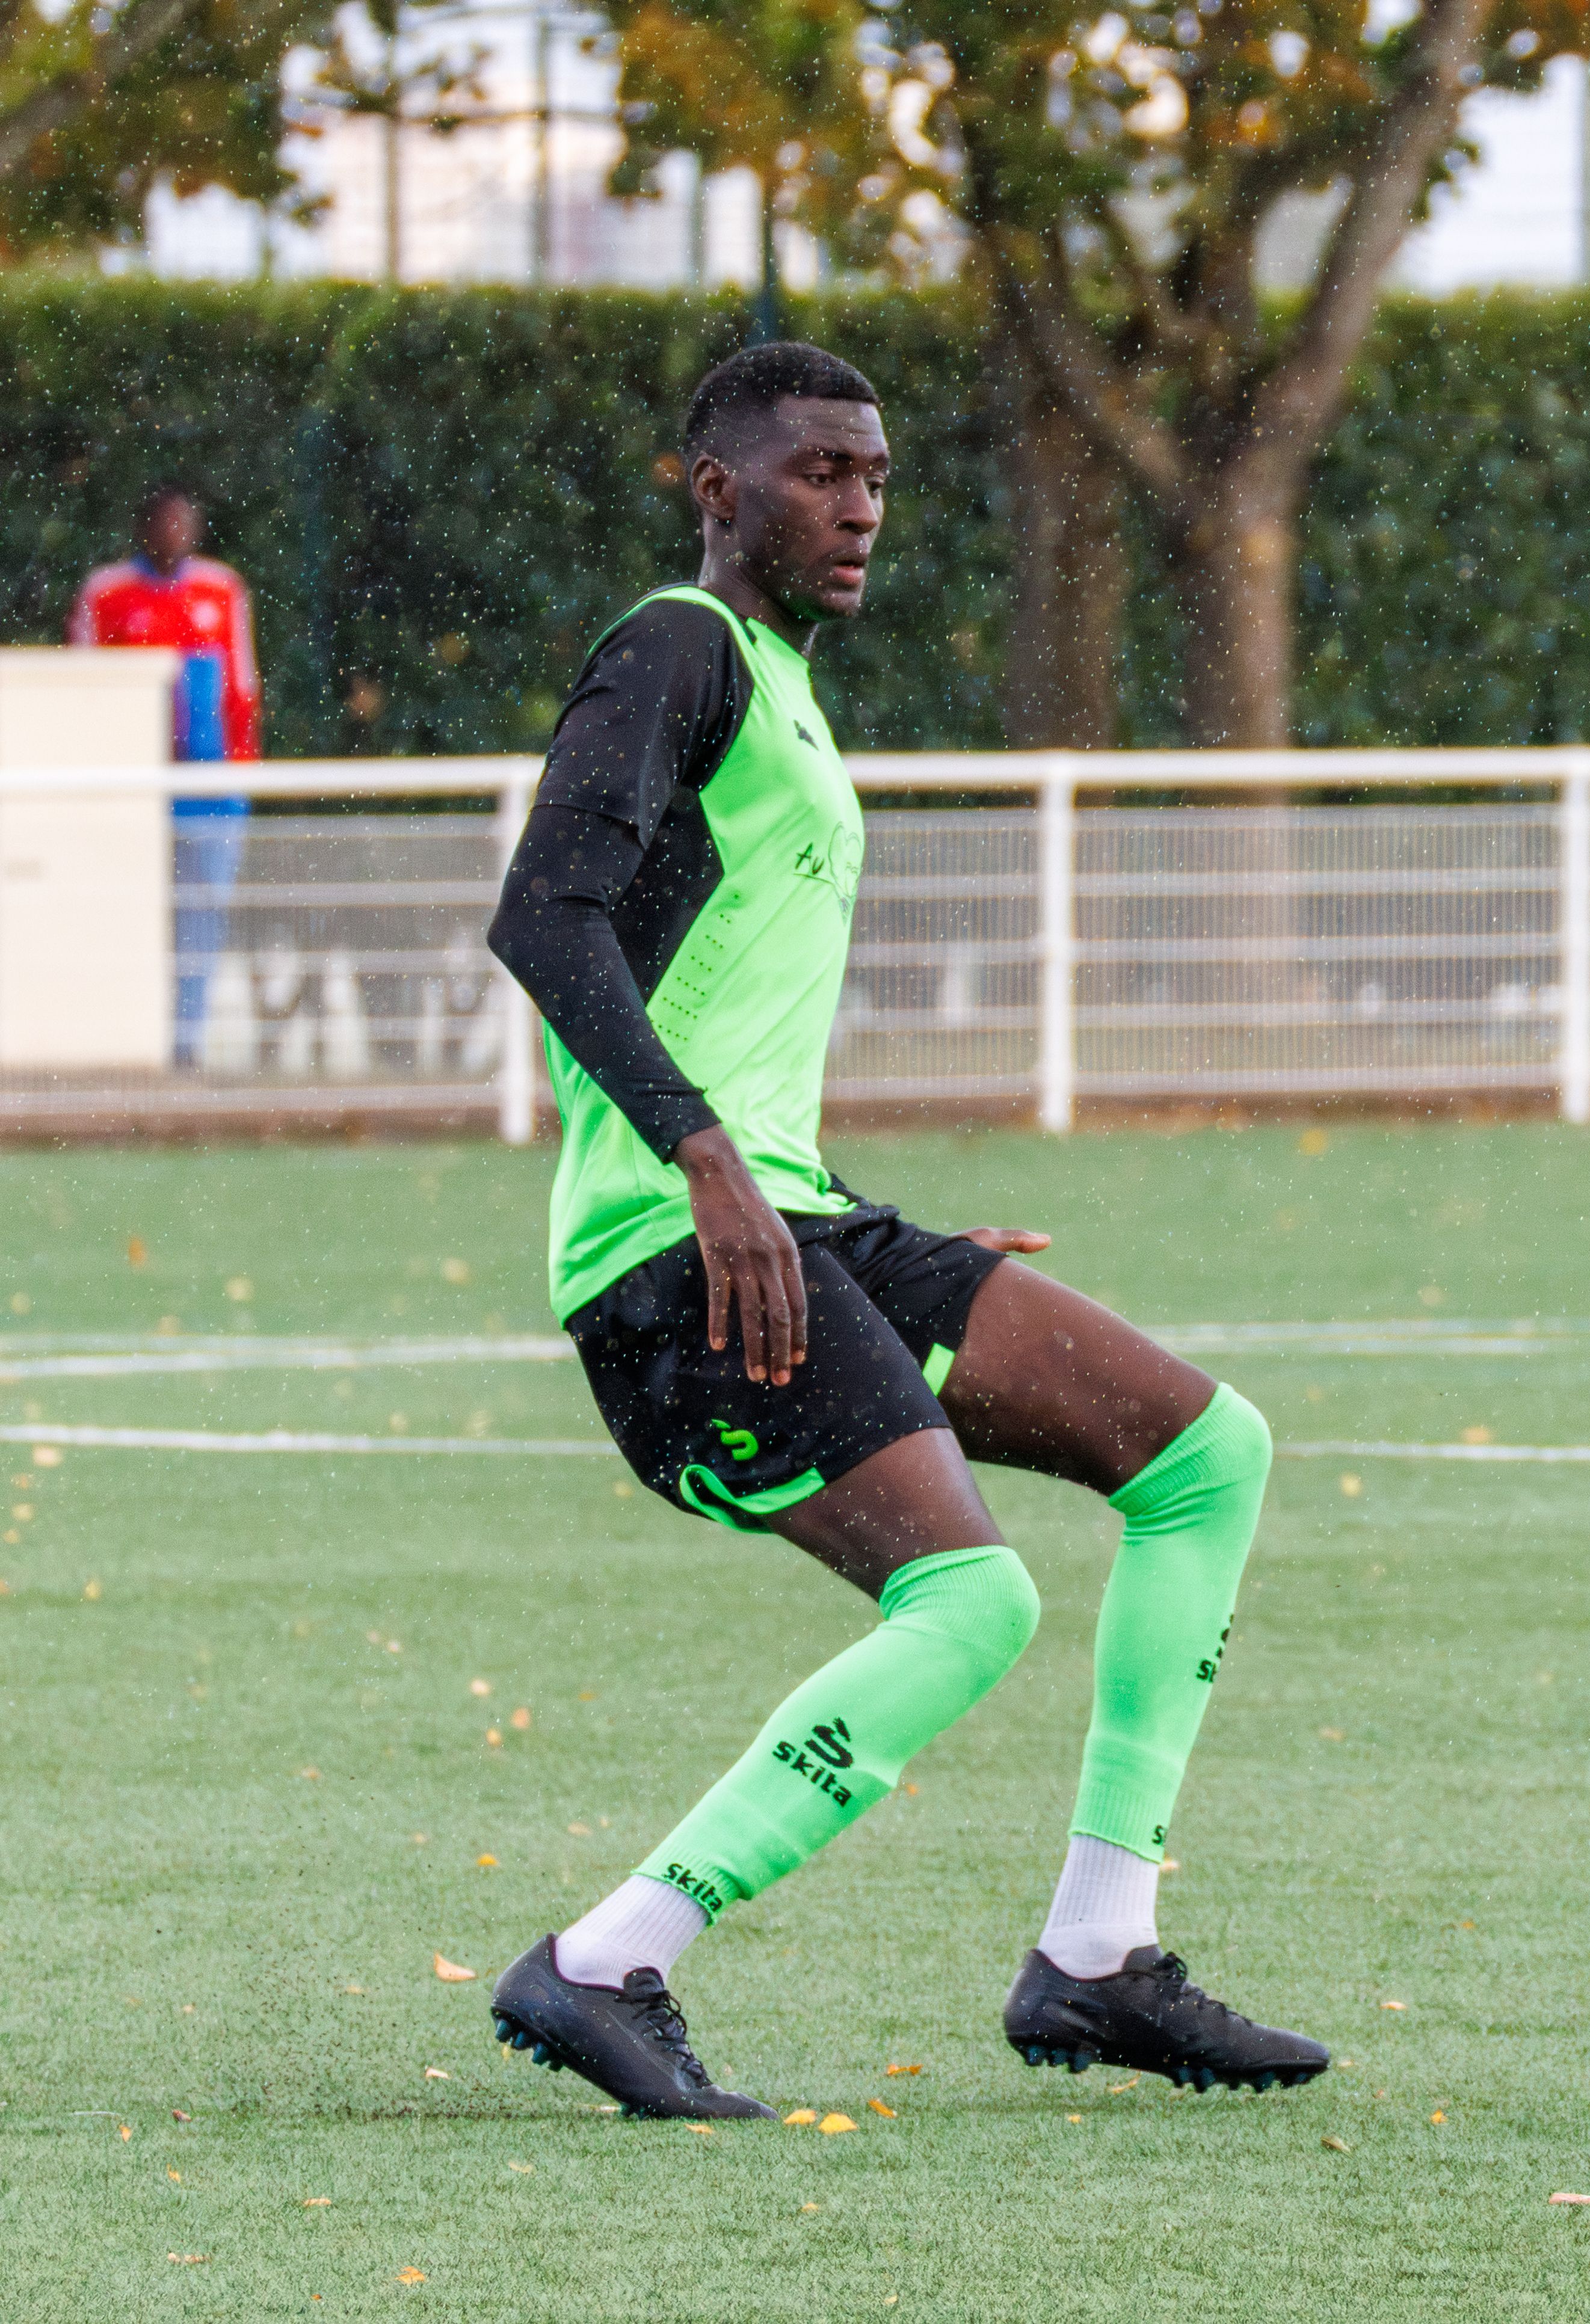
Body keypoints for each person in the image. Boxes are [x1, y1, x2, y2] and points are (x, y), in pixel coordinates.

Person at [481, 341, 1325, 2120]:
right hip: (672, 1258)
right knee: (972, 1603)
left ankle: (1100, 1953)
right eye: (820, 473)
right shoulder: (678, 647)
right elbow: (544, 919)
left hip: (793, 1217)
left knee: (1206, 1456)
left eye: (875, 476)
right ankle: (608, 1958)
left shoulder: (780, 683)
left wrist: (833, 1209)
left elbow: (712, 1001)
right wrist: (708, 1162)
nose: (861, 506)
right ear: (718, 489)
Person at [69, 482, 258, 1068]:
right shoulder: (109, 594)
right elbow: (84, 690)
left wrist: (238, 776)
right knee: (123, 911)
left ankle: (184, 1047)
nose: (175, 533)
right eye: (165, 522)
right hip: (133, 791)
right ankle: (120, 1046)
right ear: (144, 527)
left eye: (185, 522)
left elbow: (243, 688)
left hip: (207, 789)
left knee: (202, 916)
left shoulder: (220, 589)